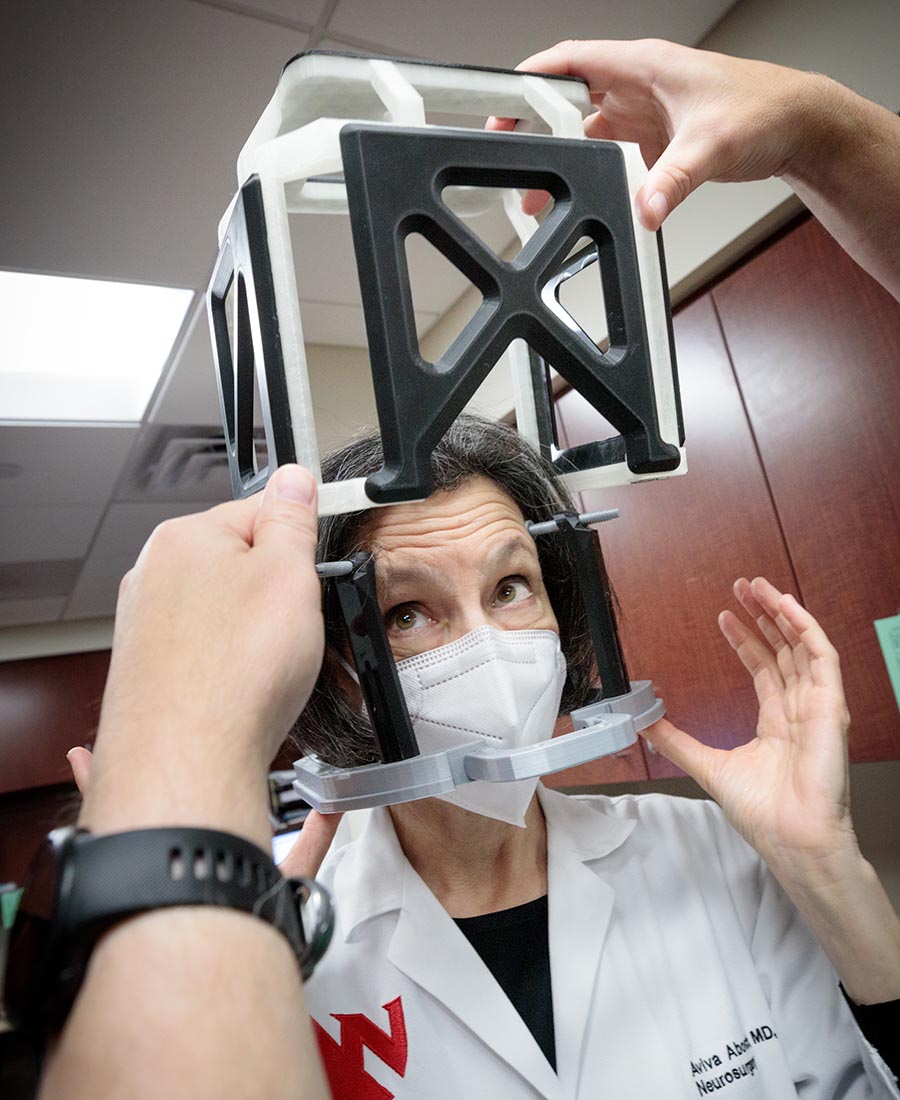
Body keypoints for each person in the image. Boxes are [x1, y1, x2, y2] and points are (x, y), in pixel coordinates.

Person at [37, 35, 900, 1100]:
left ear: (561, 605)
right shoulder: (276, 937)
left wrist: (828, 866)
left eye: (508, 587)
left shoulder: (707, 854)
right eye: (407, 614)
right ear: (341, 659)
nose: (484, 645)